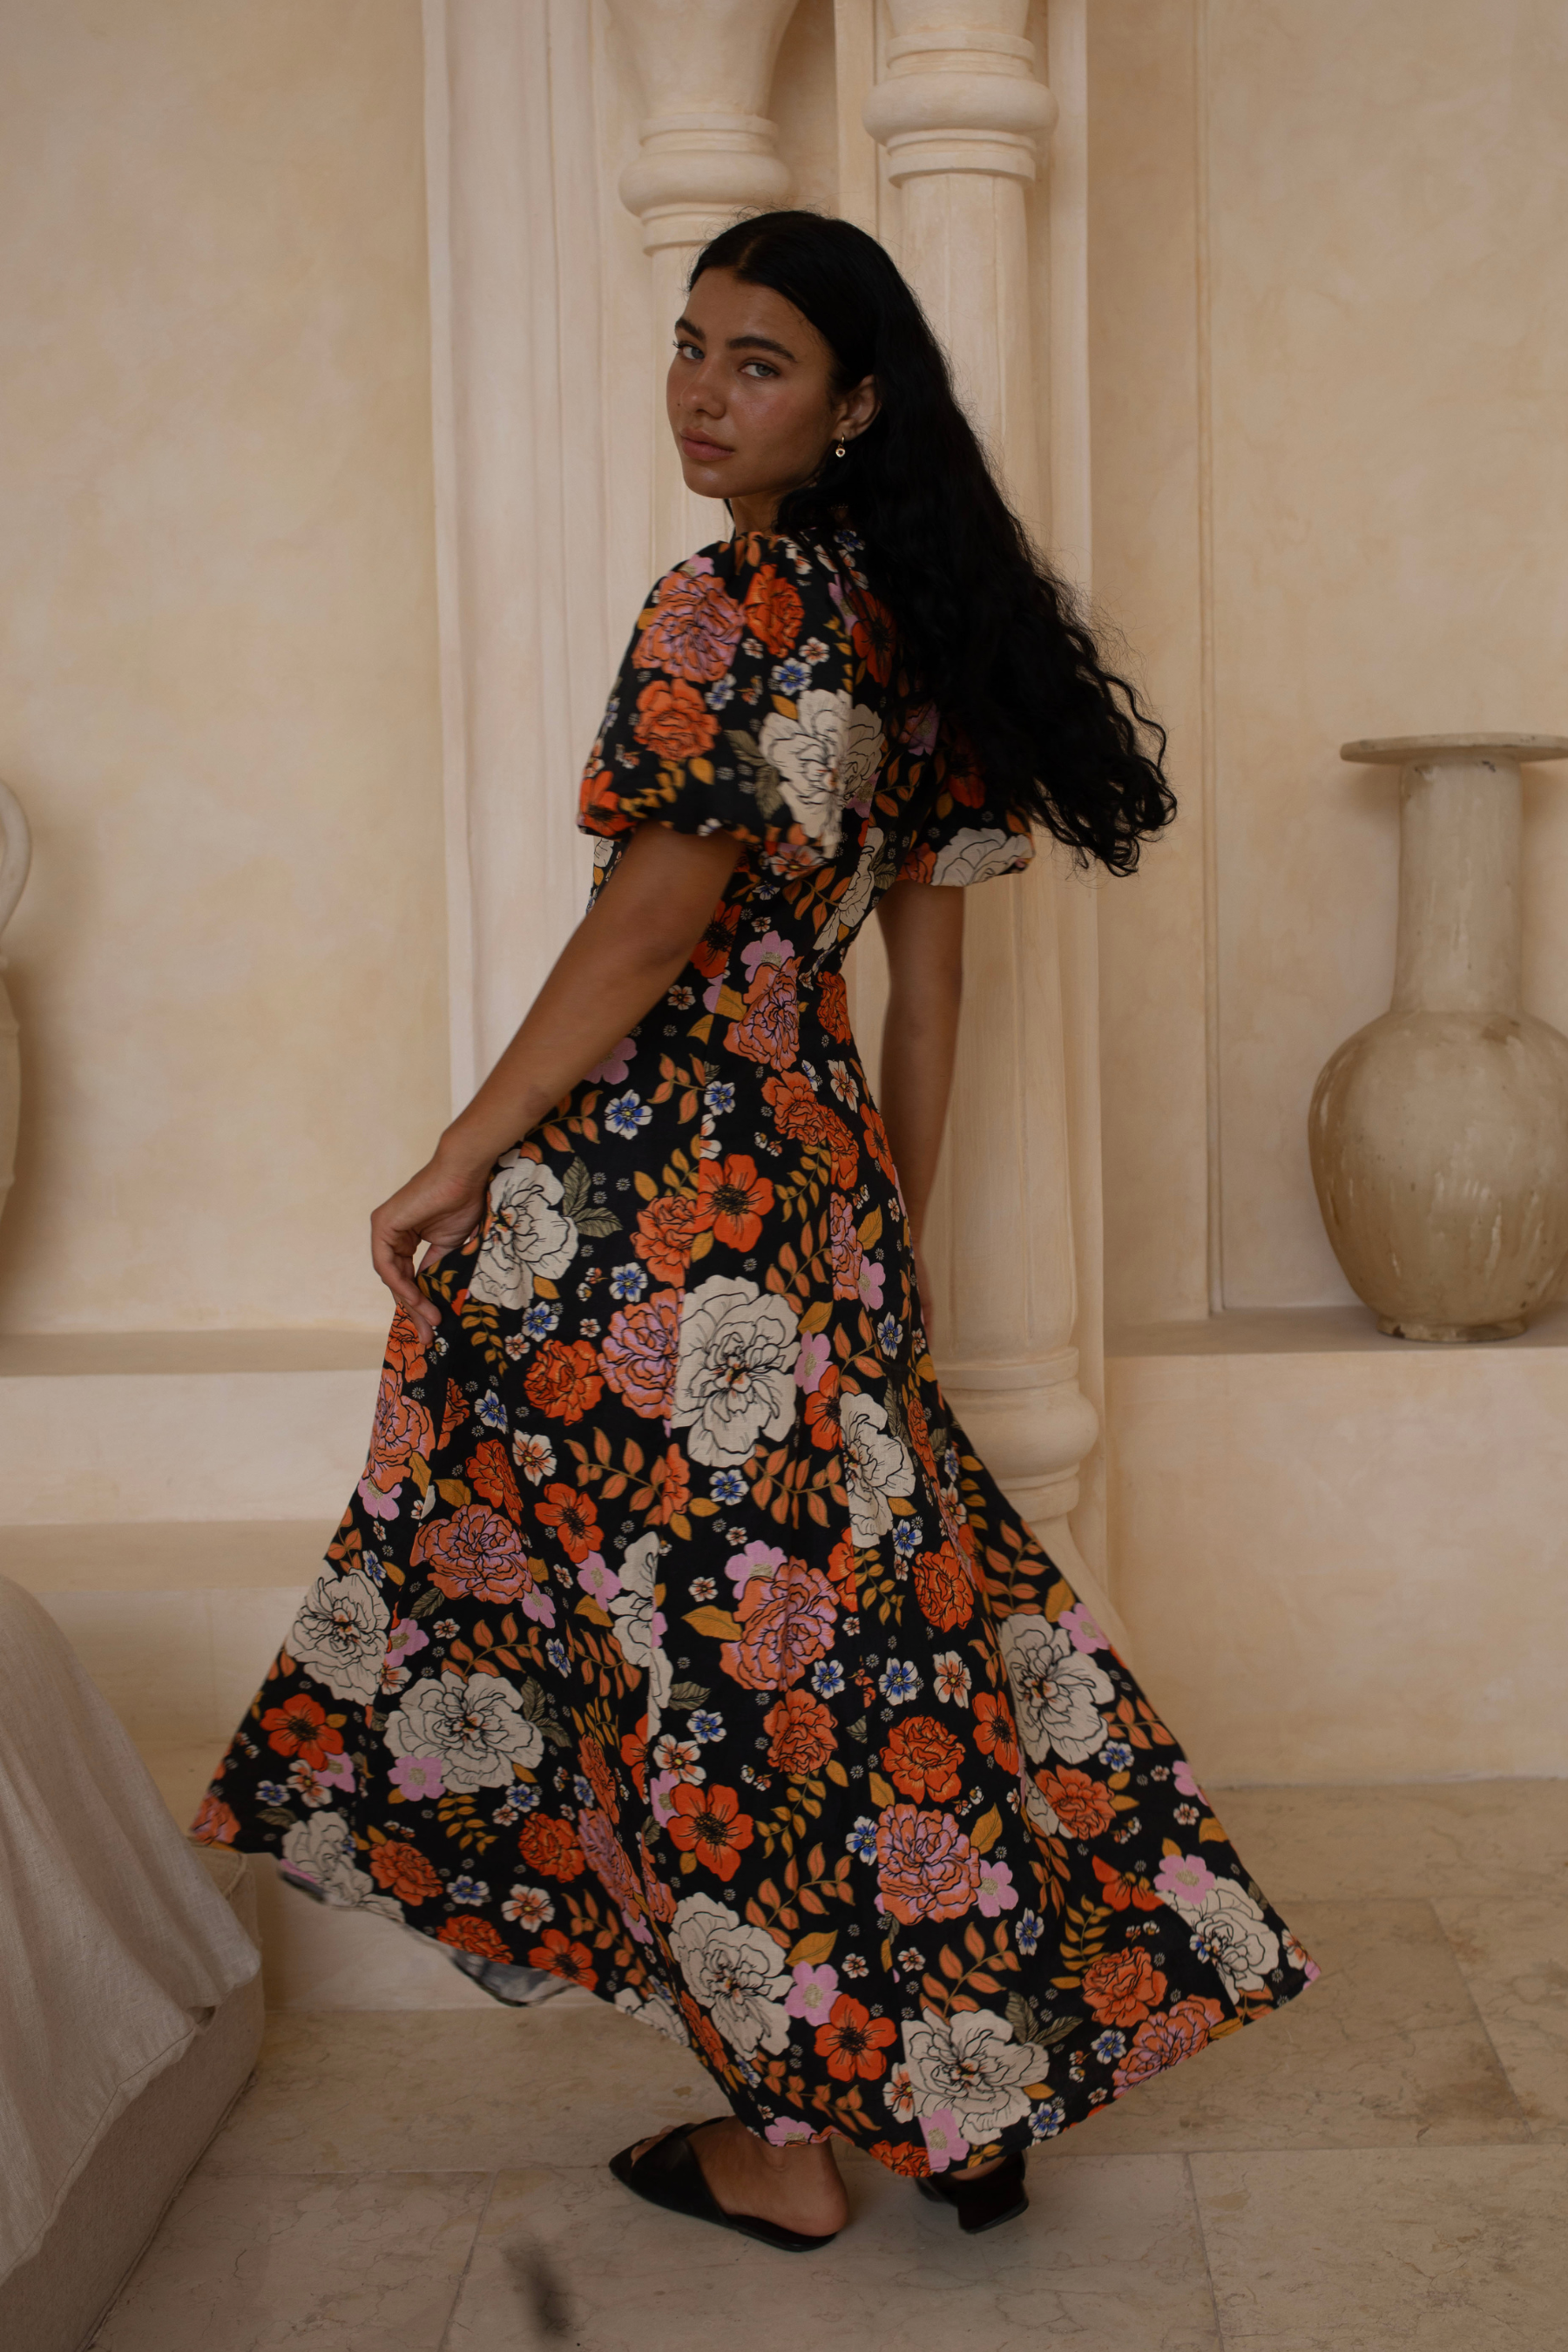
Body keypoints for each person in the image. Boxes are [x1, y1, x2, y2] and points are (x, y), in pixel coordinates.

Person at [194, 211, 1316, 2250]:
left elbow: (652, 921)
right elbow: (930, 993)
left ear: (854, 401)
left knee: (684, 1659)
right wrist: (888, 1246)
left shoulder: (726, 607)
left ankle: (791, 2144)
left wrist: (457, 1153)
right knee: (863, 1642)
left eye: (760, 361)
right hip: (814, 1197)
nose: (703, 395)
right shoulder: (925, 625)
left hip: (648, 1216)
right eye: (690, 347)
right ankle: (964, 2072)